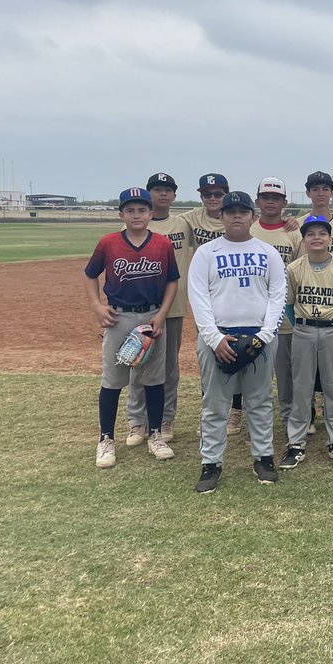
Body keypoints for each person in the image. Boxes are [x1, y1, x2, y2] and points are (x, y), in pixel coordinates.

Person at [188, 191, 287, 493]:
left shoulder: (268, 252)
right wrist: (214, 338)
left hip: (259, 335)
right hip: (219, 335)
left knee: (259, 402)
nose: (236, 216)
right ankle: (211, 463)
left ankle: (263, 457)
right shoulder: (206, 253)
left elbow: (277, 294)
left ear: (253, 217)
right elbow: (198, 296)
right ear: (221, 216)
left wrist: (264, 335)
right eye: (230, 211)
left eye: (242, 211)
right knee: (215, 405)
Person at [86, 187, 180, 468]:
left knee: (153, 379)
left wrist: (162, 314)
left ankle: (154, 434)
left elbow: (172, 281)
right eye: (130, 210)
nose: (136, 215)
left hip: (151, 316)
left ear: (151, 213)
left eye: (142, 209)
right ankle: (106, 439)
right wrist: (97, 305)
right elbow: (90, 274)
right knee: (113, 380)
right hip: (119, 317)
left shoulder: (162, 244)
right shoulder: (109, 243)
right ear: (121, 214)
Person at [283, 214, 333, 468]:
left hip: (331, 330)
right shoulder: (294, 268)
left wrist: (331, 324)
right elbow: (290, 305)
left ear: (330, 239)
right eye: (311, 234)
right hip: (303, 330)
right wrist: (302, 326)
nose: (316, 238)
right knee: (301, 387)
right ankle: (296, 443)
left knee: (332, 387)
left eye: (322, 234)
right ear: (303, 241)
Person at [123, 172, 188, 448]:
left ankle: (164, 419)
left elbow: (214, 222)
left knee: (169, 368)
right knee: (137, 363)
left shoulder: (185, 223)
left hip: (172, 307)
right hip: (138, 307)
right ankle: (136, 421)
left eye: (168, 190)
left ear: (174, 195)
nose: (163, 194)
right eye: (157, 190)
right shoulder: (136, 226)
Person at [249, 177, 303, 441]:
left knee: (287, 371)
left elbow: (299, 273)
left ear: (284, 202)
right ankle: (255, 421)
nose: (270, 202)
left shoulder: (294, 232)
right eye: (265, 198)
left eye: (275, 198)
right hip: (253, 313)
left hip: (284, 313)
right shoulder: (248, 230)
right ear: (258, 201)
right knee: (255, 371)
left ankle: (290, 418)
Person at [300, 171, 333, 259]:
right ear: (308, 193)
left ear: (332, 193)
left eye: (325, 189)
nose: (320, 193)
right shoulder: (297, 225)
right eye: (315, 189)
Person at [182, 173, 230, 251]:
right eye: (207, 195)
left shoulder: (235, 217)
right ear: (201, 197)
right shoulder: (193, 216)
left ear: (226, 196)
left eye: (218, 194)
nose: (212, 198)